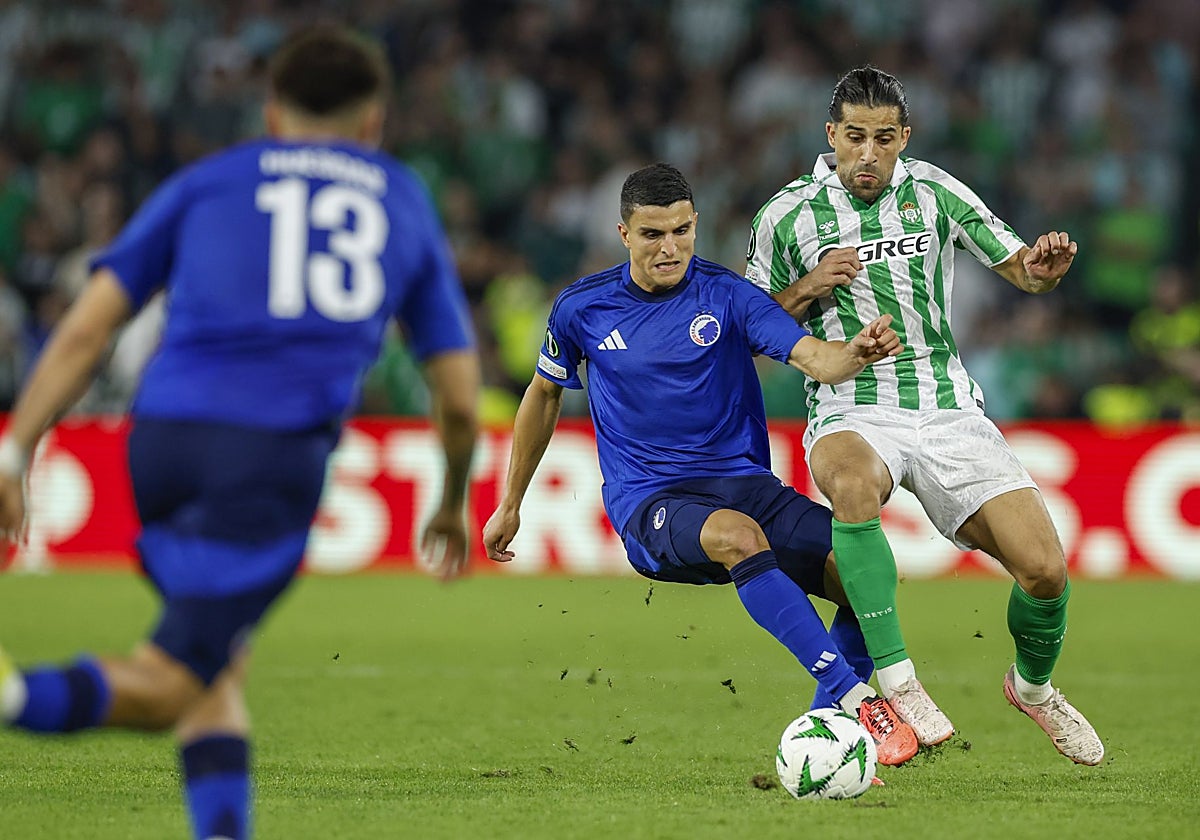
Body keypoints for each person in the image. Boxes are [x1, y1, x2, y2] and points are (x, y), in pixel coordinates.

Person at [0, 26, 479, 840]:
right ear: (374, 120)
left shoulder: (208, 180)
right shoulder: (399, 195)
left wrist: (16, 451)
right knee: (168, 687)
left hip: (159, 441)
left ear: (271, 113)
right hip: (266, 458)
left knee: (218, 662)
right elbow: (462, 400)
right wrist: (451, 502)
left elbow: (86, 330)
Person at [483, 162, 925, 767]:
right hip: (652, 500)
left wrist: (855, 353)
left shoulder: (728, 293)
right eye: (653, 235)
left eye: (682, 232)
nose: (671, 249)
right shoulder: (580, 309)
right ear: (623, 234)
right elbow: (543, 393)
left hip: (746, 485)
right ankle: (858, 700)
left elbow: (813, 358)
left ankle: (829, 734)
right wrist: (511, 502)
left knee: (865, 573)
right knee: (740, 537)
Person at [745, 66, 1103, 765]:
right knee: (849, 488)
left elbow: (1021, 268)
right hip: (851, 402)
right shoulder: (785, 215)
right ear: (831, 135)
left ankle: (1033, 689)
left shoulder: (935, 190)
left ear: (904, 136)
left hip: (944, 408)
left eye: (884, 138)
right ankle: (899, 682)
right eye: (854, 138)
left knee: (1046, 572)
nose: (868, 154)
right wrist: (813, 285)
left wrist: (1045, 268)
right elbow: (751, 323)